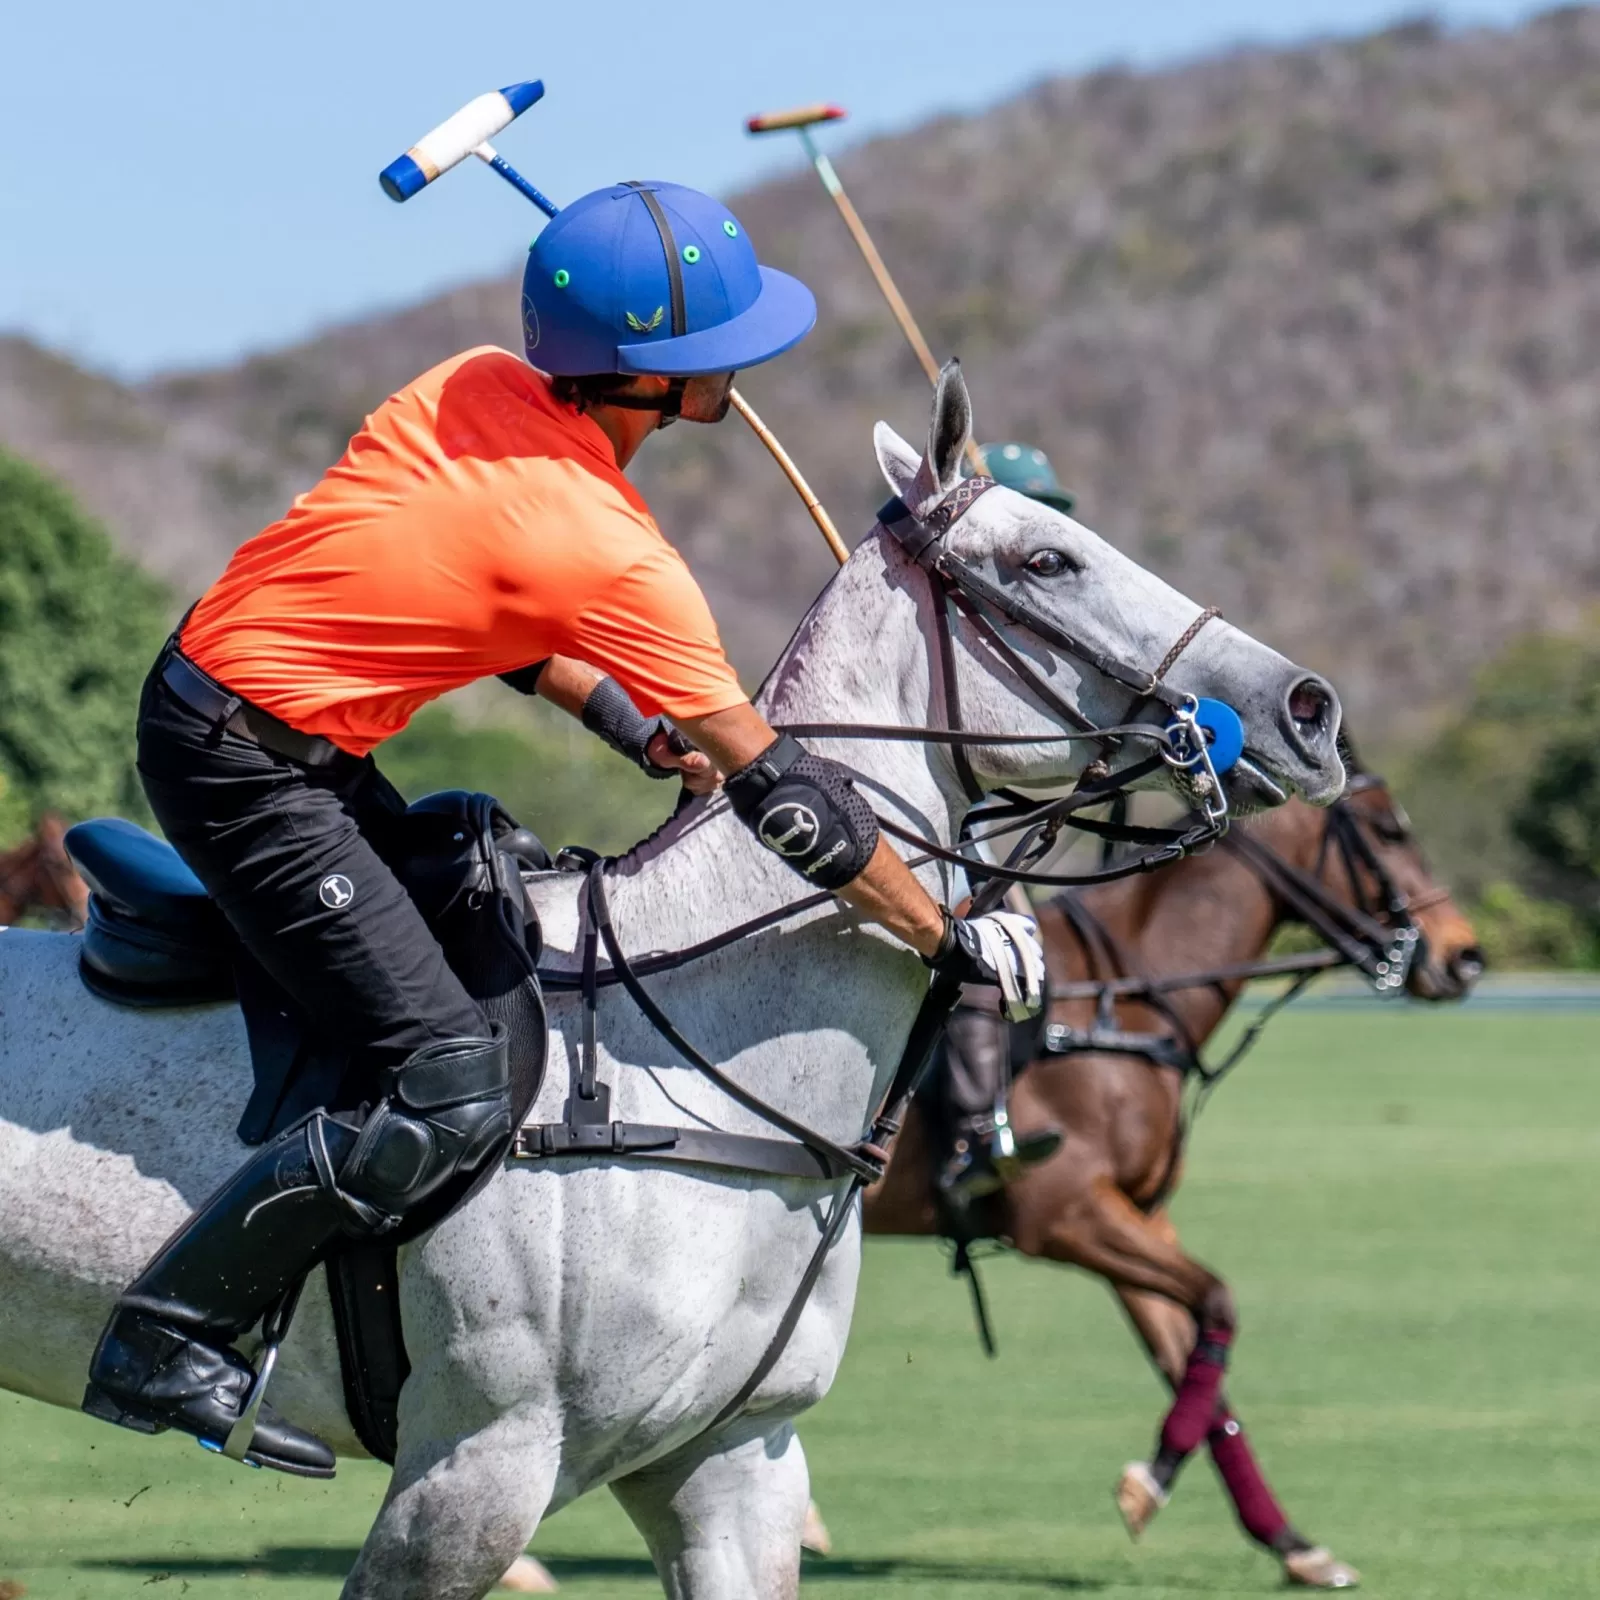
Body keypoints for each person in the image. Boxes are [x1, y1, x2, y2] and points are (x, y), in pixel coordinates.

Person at [82, 181, 1045, 1476]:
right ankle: (171, 1331)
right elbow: (786, 797)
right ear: (661, 381)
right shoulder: (607, 544)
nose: (743, 369)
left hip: (250, 708)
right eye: (722, 353)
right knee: (448, 1082)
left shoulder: (477, 386)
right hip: (243, 765)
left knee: (483, 866)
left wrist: (638, 730)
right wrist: (946, 931)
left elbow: (499, 619)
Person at [935, 442, 1077, 1206]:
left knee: (1028, 957)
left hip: (976, 833)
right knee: (979, 974)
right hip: (912, 826)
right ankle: (969, 1141)